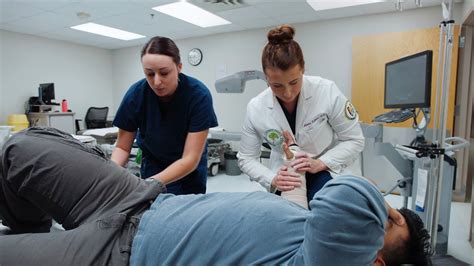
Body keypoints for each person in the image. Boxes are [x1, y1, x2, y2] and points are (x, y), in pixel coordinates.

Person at [0, 128, 432, 265]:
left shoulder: (325, 260)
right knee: (20, 149)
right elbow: (321, 209)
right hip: (139, 198)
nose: (388, 213)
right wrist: (293, 165)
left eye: (391, 220)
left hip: (121, 252)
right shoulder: (315, 237)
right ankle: (34, 228)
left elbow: (345, 198)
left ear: (374, 260)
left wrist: (380, 195)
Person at [238, 24, 365, 204]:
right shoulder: (256, 108)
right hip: (286, 173)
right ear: (267, 78)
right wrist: (271, 179)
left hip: (324, 166)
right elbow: (246, 159)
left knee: (327, 211)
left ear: (303, 69)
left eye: (294, 82)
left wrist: (320, 163)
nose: (288, 93)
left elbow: (355, 140)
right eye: (277, 86)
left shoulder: (326, 91)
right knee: (286, 219)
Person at [111, 36, 218, 195]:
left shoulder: (198, 95)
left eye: (164, 73)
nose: (157, 82)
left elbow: (190, 158)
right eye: (149, 74)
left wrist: (150, 184)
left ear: (179, 67)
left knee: (185, 212)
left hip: (188, 169)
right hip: (154, 163)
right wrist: (109, 175)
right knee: (155, 210)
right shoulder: (136, 95)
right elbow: (122, 147)